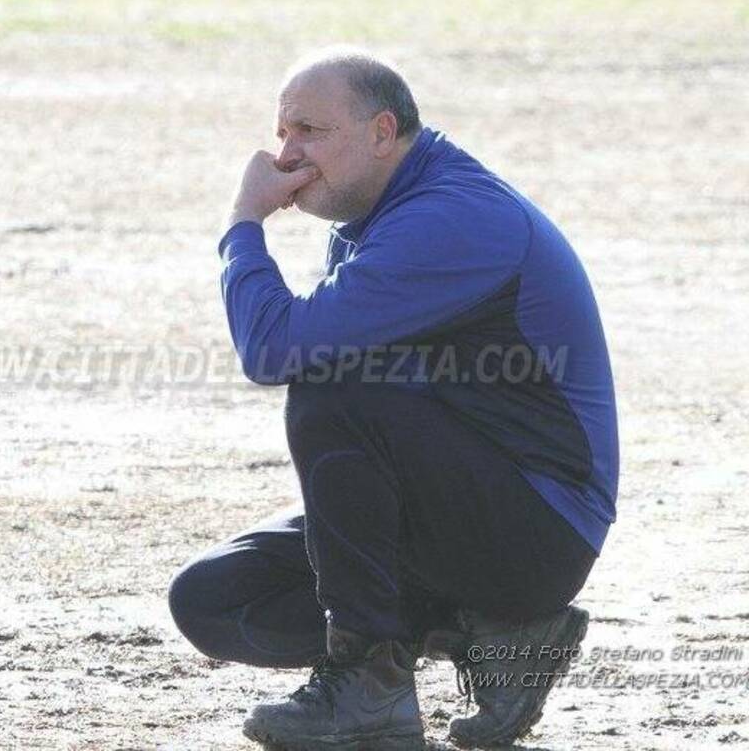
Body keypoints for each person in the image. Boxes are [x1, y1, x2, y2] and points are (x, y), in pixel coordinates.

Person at [168, 47, 619, 751]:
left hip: (538, 532)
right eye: (282, 132)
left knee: (332, 388)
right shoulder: (375, 220)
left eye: (309, 131)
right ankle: (502, 638)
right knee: (213, 596)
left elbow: (275, 350)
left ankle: (367, 688)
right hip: (459, 516)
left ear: (383, 133)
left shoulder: (450, 217)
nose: (286, 154)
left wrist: (242, 225)